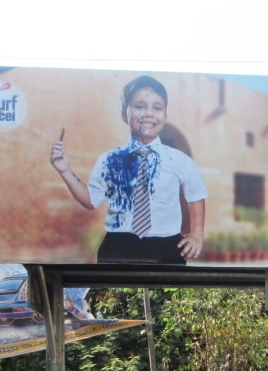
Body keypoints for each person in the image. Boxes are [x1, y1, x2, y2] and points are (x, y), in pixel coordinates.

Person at [50, 75, 207, 264]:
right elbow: (91, 200)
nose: (148, 113)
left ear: (165, 115)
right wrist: (65, 170)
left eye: (157, 107)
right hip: (118, 246)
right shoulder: (109, 159)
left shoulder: (180, 160)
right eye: (139, 106)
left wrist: (197, 234)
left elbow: (196, 195)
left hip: (166, 247)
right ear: (125, 114)